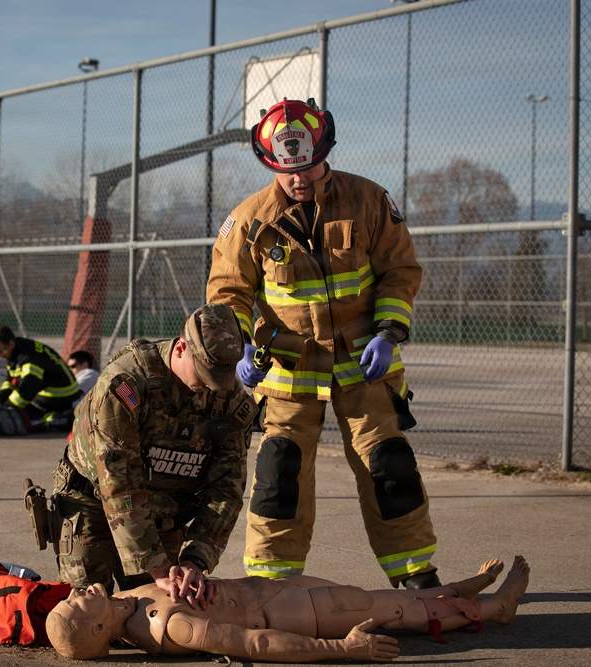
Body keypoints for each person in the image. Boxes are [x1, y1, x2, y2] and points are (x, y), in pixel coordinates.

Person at [206, 98, 438, 589]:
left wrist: (388, 332)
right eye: (286, 170)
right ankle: (271, 582)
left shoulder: (369, 200)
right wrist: (241, 345)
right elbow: (227, 293)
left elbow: (400, 271)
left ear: (324, 152)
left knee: (388, 465)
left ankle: (416, 573)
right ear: (269, 163)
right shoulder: (248, 220)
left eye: (308, 167)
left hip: (363, 364)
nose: (299, 179)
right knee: (279, 472)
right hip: (288, 371)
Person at [50, 303, 257, 603]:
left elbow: (226, 490)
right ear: (181, 348)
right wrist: (156, 566)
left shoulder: (228, 399)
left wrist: (195, 560)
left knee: (169, 610)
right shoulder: (126, 385)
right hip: (92, 503)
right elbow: (119, 484)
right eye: (204, 375)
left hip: (162, 512)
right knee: (86, 616)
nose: (210, 389)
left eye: (219, 380)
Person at [46, 555, 531, 662]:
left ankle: (458, 591)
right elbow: (251, 644)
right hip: (297, 615)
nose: (77, 593)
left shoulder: (128, 602)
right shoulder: (169, 627)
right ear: (97, 630)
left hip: (275, 589)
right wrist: (343, 648)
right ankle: (493, 610)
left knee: (389, 599)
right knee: (392, 611)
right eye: (77, 606)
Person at [0, 325, 82, 434]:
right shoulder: (16, 351)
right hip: (47, 390)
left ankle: (55, 418)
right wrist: (1, 396)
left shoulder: (29, 357)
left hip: (61, 393)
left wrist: (7, 407)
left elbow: (27, 390)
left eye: (1, 352)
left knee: (25, 418)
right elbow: (12, 380)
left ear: (11, 344)